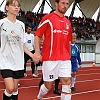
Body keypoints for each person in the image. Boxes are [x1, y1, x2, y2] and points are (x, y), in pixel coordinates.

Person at [0, 0, 39, 100]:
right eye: (13, 5)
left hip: (18, 61)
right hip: (5, 60)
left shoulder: (21, 25)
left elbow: (22, 44)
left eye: (18, 5)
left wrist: (32, 55)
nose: (17, 7)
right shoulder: (1, 23)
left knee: (14, 89)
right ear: (7, 7)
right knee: (10, 88)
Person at [34, 0, 72, 99]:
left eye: (67, 4)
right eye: (63, 3)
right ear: (56, 3)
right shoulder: (48, 18)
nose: (65, 6)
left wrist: (69, 56)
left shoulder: (68, 22)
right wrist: (37, 52)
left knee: (67, 82)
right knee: (48, 85)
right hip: (50, 58)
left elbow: (69, 41)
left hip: (65, 58)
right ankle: (39, 97)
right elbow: (37, 35)